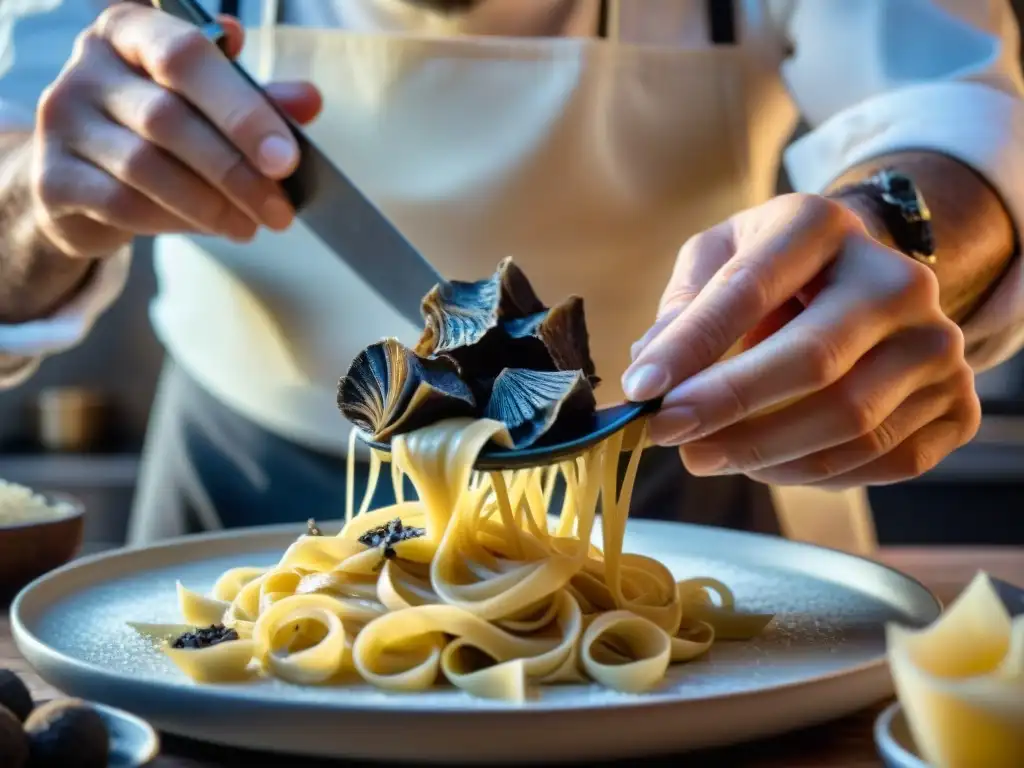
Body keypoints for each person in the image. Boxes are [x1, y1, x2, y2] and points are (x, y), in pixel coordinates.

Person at [0, 0, 1020, 546]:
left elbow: (953, 114)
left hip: (692, 493)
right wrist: (39, 210)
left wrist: (894, 233)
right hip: (238, 501)